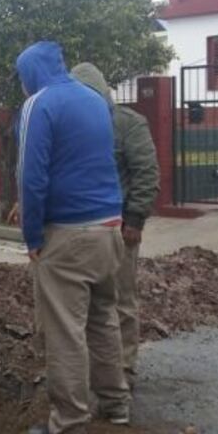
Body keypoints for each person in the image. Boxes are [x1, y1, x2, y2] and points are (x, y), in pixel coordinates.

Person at [15, 42, 130, 434]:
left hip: (68, 234)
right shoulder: (94, 100)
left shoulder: (39, 104)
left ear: (29, 73)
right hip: (109, 228)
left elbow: (30, 176)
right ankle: (116, 405)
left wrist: (32, 236)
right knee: (103, 320)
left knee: (65, 331)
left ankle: (69, 422)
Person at [71, 63, 160, 386]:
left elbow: (147, 173)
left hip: (120, 227)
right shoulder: (71, 124)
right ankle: (93, 365)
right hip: (80, 227)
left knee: (120, 299)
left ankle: (123, 367)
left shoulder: (128, 124)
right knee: (84, 301)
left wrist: (135, 219)